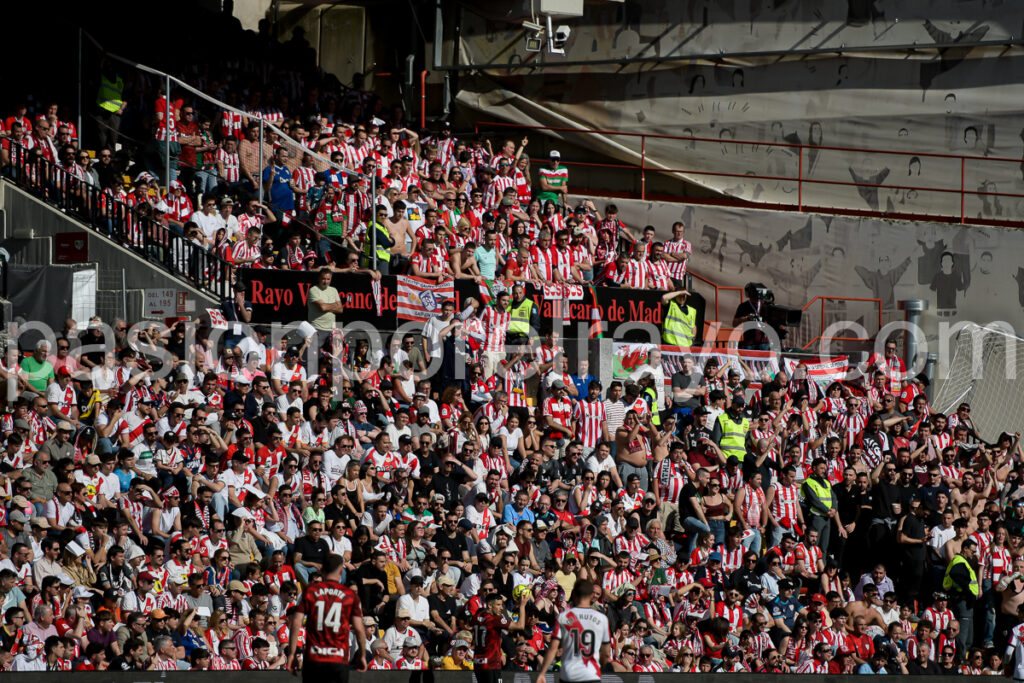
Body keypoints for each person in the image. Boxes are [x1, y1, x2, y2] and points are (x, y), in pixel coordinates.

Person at [287, 554, 367, 681]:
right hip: (338, 659)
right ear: (341, 571)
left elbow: (296, 622)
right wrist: (362, 655)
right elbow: (359, 628)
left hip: (314, 658)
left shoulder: (310, 591)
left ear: (322, 570)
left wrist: (291, 653)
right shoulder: (350, 595)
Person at [536, 579, 610, 683]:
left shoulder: (564, 617)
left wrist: (542, 673)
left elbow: (553, 648)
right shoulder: (602, 618)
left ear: (574, 594)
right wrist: (599, 667)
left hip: (569, 675)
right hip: (591, 674)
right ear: (591, 595)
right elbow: (606, 653)